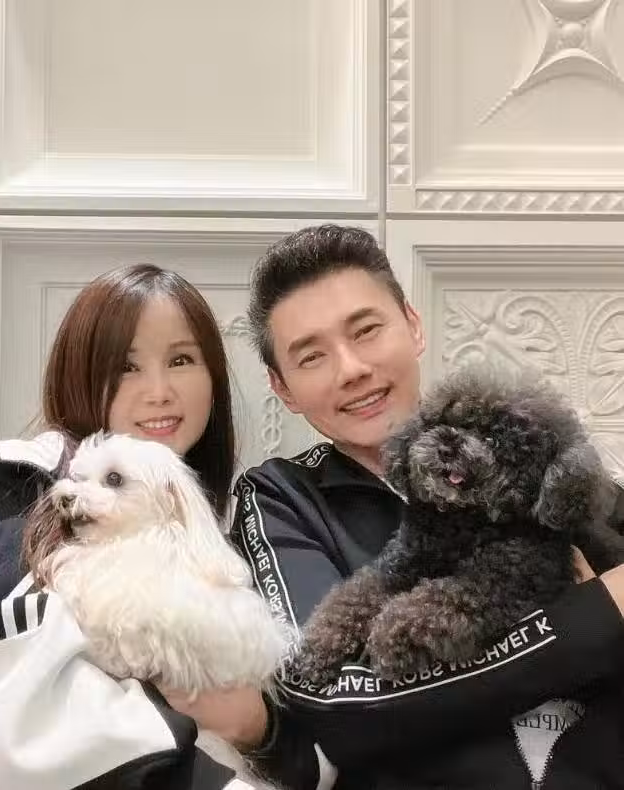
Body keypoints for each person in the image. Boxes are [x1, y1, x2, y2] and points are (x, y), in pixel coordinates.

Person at [219, 225, 624, 789]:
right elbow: (331, 702)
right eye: (312, 356)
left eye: (366, 330)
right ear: (282, 387)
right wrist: (596, 615)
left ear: (412, 324)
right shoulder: (281, 498)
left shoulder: (538, 452)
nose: (351, 369)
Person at [0, 264, 265, 790]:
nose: (159, 391)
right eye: (126, 366)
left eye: (181, 360)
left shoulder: (227, 527)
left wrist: (255, 726)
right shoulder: (22, 479)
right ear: (81, 374)